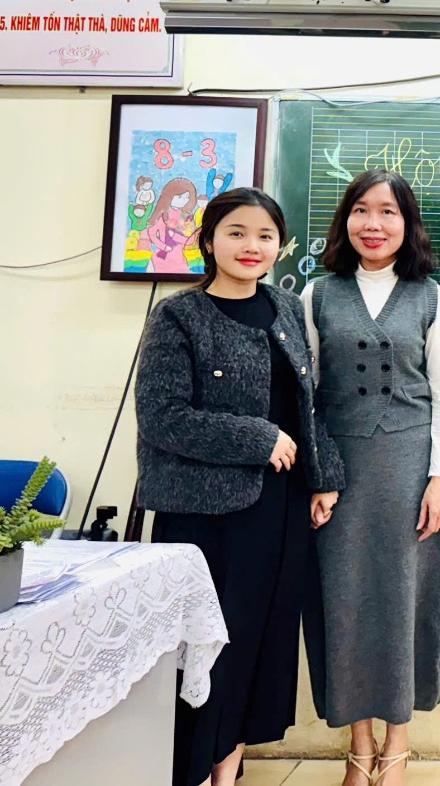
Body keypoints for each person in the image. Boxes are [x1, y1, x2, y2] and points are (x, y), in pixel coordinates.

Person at [135, 187, 345, 786]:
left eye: (265, 235)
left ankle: (229, 771)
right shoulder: (179, 315)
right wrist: (257, 438)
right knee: (205, 649)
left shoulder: (284, 309)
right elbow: (163, 418)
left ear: (280, 245)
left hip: (278, 511)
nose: (251, 246)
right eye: (236, 232)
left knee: (259, 642)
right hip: (204, 517)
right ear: (208, 241)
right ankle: (193, 771)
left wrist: (323, 479)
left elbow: (306, 408)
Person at [302, 169, 440, 786]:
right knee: (342, 603)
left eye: (389, 213)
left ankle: (397, 744)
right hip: (338, 472)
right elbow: (308, 394)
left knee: (405, 600)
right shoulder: (317, 295)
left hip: (409, 471)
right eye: (363, 211)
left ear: (407, 224)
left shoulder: (431, 297)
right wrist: (319, 473)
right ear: (346, 219)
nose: (374, 224)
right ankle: (359, 743)